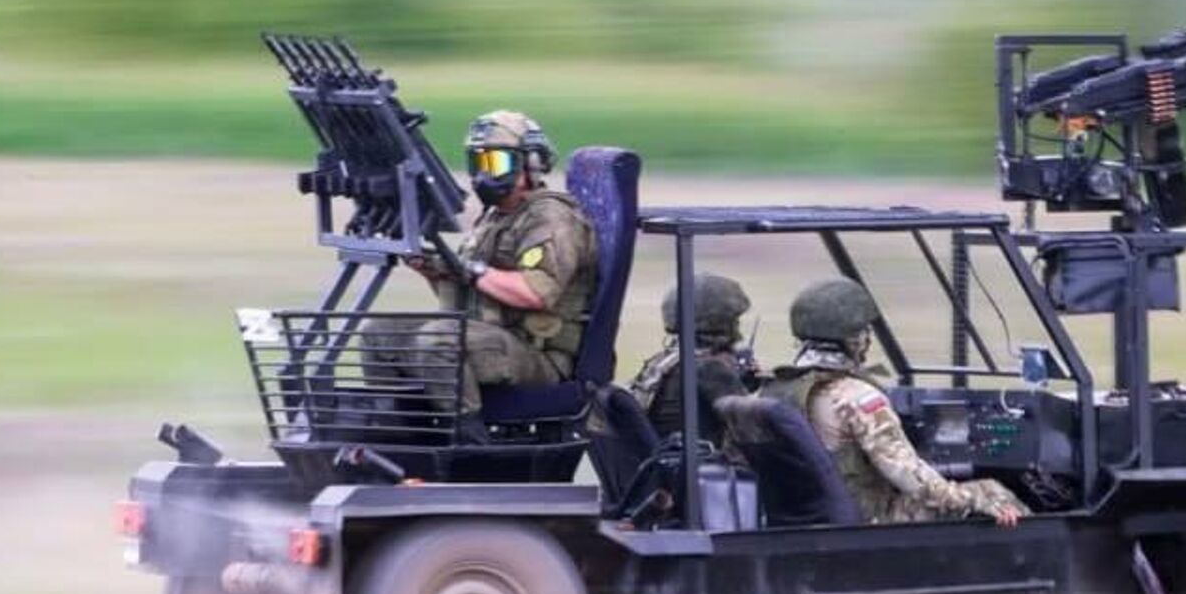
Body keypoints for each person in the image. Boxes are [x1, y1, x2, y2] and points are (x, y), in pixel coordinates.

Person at [364, 110, 598, 441]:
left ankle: (470, 442)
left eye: (497, 163)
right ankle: (400, 441)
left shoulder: (551, 219)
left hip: (539, 355)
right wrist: (436, 272)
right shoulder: (496, 216)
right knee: (379, 334)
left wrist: (472, 271)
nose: (485, 175)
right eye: (478, 163)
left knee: (439, 340)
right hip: (492, 337)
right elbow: (474, 295)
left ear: (530, 164)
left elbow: (536, 293)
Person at [761, 278, 1029, 526]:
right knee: (992, 490)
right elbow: (911, 478)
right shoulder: (857, 398)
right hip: (871, 521)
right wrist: (977, 501)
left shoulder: (773, 392)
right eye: (865, 331)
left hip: (804, 520)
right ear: (854, 340)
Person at [627, 273, 759, 445]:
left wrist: (741, 381)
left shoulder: (662, 362)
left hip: (665, 459)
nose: (738, 329)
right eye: (734, 320)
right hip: (699, 465)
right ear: (719, 321)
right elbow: (753, 431)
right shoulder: (709, 369)